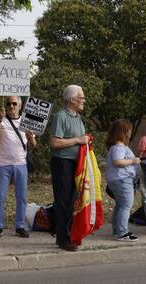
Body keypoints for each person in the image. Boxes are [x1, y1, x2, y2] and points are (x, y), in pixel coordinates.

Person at [49, 85, 90, 252]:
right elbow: (54, 142)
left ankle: (69, 233)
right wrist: (78, 140)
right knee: (63, 201)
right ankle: (62, 238)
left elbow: (81, 140)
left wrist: (85, 141)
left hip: (76, 164)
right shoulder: (60, 117)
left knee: (73, 200)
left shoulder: (78, 118)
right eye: (81, 97)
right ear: (72, 99)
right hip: (62, 163)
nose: (84, 101)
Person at [0, 96, 37, 240]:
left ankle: (20, 226)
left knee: (21, 196)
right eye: (8, 103)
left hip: (20, 163)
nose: (11, 106)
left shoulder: (26, 121)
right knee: (0, 196)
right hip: (3, 163)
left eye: (14, 103)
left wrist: (31, 138)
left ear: (20, 105)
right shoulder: (0, 119)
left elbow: (34, 145)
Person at [106, 119, 141, 241]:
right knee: (126, 205)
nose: (130, 132)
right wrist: (133, 161)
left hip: (118, 179)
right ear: (124, 132)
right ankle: (122, 232)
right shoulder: (119, 147)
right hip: (122, 179)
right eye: (129, 130)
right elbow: (117, 161)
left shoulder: (117, 146)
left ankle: (117, 230)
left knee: (120, 205)